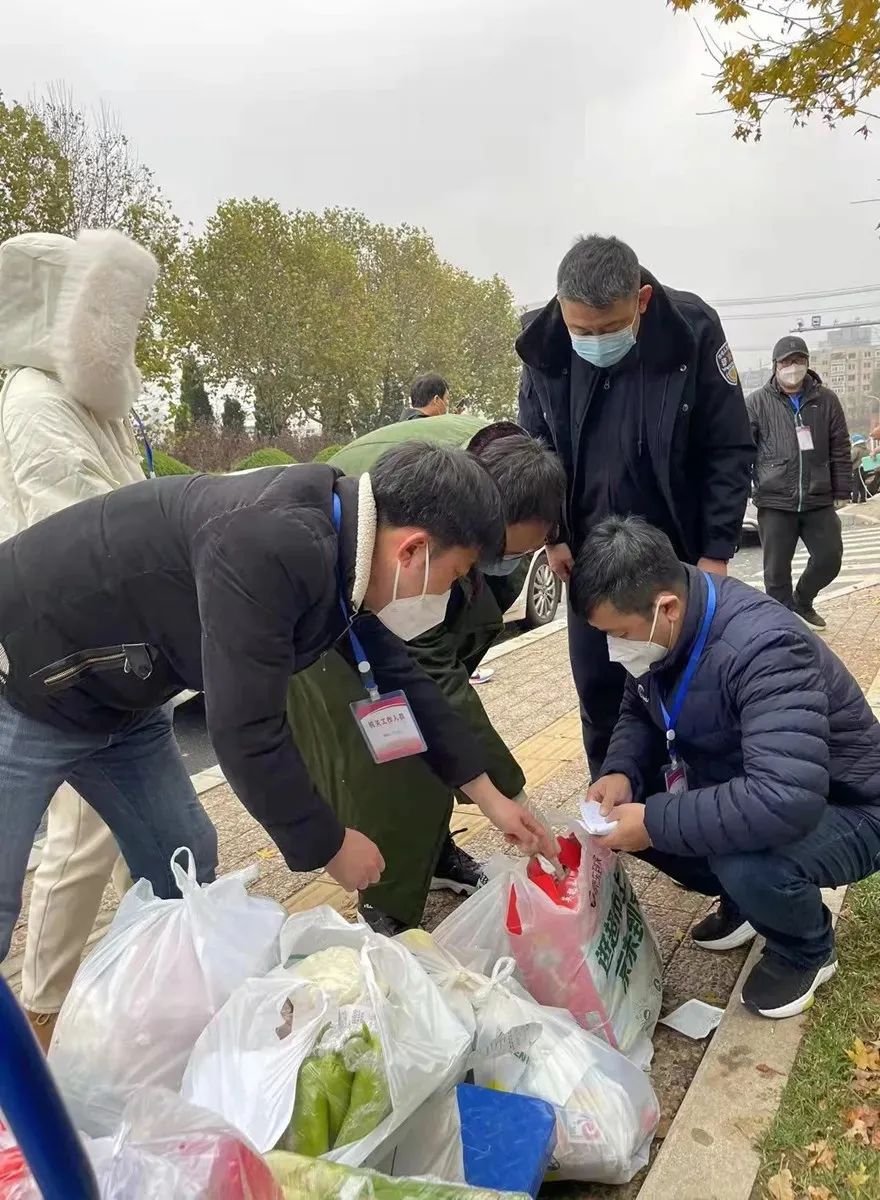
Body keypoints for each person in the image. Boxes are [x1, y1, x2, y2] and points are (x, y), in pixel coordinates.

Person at [0, 441, 554, 974]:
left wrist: (491, 798)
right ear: (411, 550)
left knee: (182, 852)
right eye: (452, 577)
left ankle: (164, 1006)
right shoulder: (267, 546)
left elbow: (402, 677)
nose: (443, 595)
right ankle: (38, 1029)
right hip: (26, 680)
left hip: (123, 696)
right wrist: (330, 844)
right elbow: (247, 730)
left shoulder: (344, 544)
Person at [575, 515, 880, 1020]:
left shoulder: (766, 648)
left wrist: (653, 822)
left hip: (849, 806)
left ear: (666, 607)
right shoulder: (667, 629)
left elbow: (785, 799)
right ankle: (745, 904)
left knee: (737, 856)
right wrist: (621, 771)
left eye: (620, 634)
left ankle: (806, 947)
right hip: (759, 781)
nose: (615, 649)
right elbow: (639, 707)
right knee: (633, 810)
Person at [287, 414, 567, 934]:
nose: (509, 562)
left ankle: (436, 856)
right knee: (391, 762)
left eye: (523, 553)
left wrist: (490, 795)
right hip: (330, 623)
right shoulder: (424, 532)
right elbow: (436, 676)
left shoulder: (512, 468)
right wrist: (511, 795)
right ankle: (385, 903)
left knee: (440, 743)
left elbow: (444, 689)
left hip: (385, 601)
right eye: (501, 552)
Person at [0, 229, 167, 1048]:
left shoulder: (93, 403)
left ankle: (153, 979)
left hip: (118, 653)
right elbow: (81, 534)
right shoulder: (36, 402)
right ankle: (44, 1009)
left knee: (153, 836)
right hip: (62, 660)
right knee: (80, 837)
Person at [517, 234, 753, 778]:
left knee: (688, 683)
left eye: (608, 328)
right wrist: (553, 534)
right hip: (587, 556)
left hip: (674, 553)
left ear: (641, 300)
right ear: (561, 308)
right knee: (600, 690)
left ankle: (695, 798)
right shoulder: (544, 343)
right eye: (581, 330)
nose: (593, 341)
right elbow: (537, 448)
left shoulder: (692, 331)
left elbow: (728, 447)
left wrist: (716, 552)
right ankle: (611, 796)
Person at [746, 335, 851, 629]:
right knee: (776, 573)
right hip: (774, 500)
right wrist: (743, 490)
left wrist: (842, 489)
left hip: (818, 497)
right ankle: (783, 627)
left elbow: (840, 446)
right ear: (775, 365)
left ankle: (803, 601)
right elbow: (742, 451)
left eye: (799, 360)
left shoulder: (826, 400)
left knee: (829, 558)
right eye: (786, 361)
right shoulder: (756, 403)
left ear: (807, 363)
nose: (793, 367)